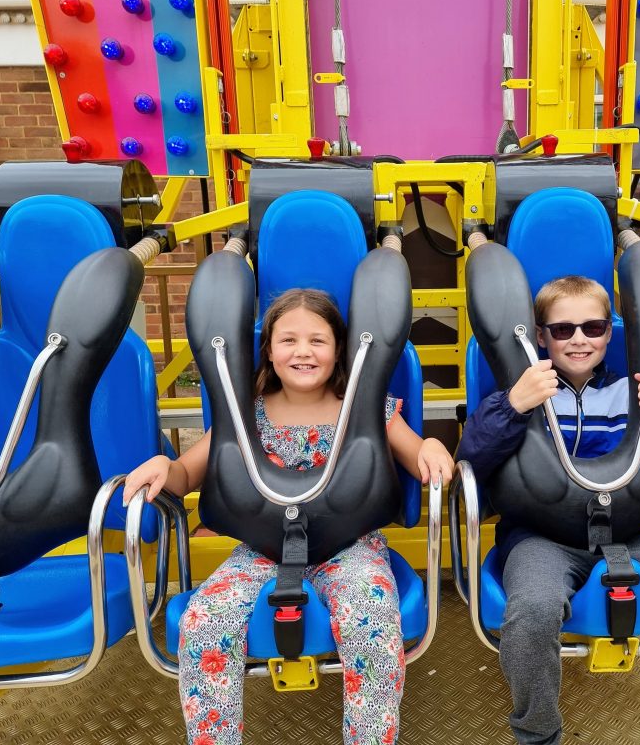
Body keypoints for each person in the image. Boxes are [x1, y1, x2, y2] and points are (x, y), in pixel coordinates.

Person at [123, 288, 454, 745]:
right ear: (270, 352)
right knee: (204, 621)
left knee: (371, 619)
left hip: (350, 546)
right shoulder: (245, 417)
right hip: (262, 549)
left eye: (318, 341)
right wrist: (166, 466)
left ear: (339, 350)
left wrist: (432, 446)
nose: (303, 352)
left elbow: (417, 453)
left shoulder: (366, 409)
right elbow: (187, 474)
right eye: (288, 341)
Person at [456, 275, 640, 745]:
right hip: (540, 537)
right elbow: (471, 457)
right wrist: (513, 405)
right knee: (532, 610)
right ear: (539, 335)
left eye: (592, 328)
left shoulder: (637, 396)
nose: (578, 339)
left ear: (609, 333)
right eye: (562, 329)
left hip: (629, 534)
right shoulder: (520, 394)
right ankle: (538, 735)